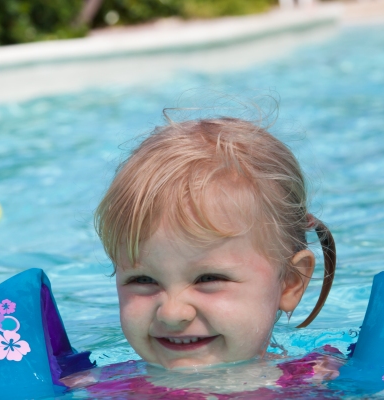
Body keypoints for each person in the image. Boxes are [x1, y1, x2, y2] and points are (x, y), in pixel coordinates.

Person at [80, 117, 341, 390]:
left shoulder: (321, 380)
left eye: (207, 279)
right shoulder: (93, 388)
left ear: (290, 282)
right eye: (143, 280)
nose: (172, 313)